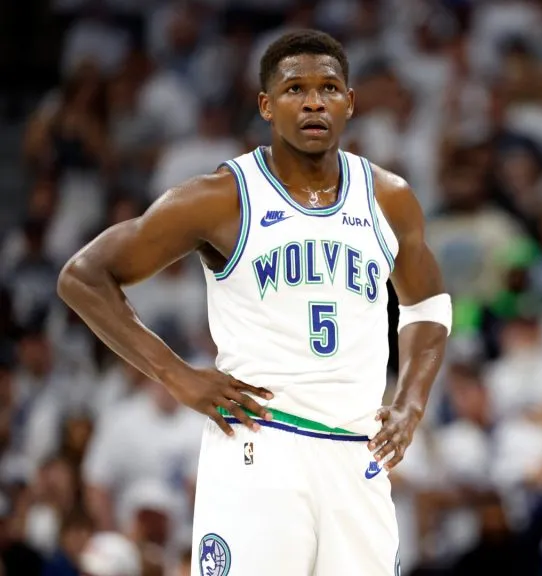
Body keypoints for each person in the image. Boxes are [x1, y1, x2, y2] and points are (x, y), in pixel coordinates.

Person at [57, 30, 451, 575]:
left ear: (350, 102)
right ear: (266, 105)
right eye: (295, 89)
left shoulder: (389, 197)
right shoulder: (222, 196)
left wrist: (410, 402)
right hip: (262, 445)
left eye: (329, 88)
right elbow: (83, 276)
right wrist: (176, 376)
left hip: (358, 455)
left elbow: (428, 304)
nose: (314, 101)